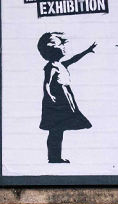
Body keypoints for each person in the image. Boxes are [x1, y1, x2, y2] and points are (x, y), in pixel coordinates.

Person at [37, 33, 95, 164]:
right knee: (55, 131)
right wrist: (50, 96)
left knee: (58, 131)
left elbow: (74, 59)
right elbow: (47, 83)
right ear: (51, 49)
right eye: (60, 44)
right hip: (56, 103)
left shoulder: (61, 64)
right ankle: (54, 158)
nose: (64, 47)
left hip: (64, 99)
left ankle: (55, 157)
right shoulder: (51, 67)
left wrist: (87, 51)